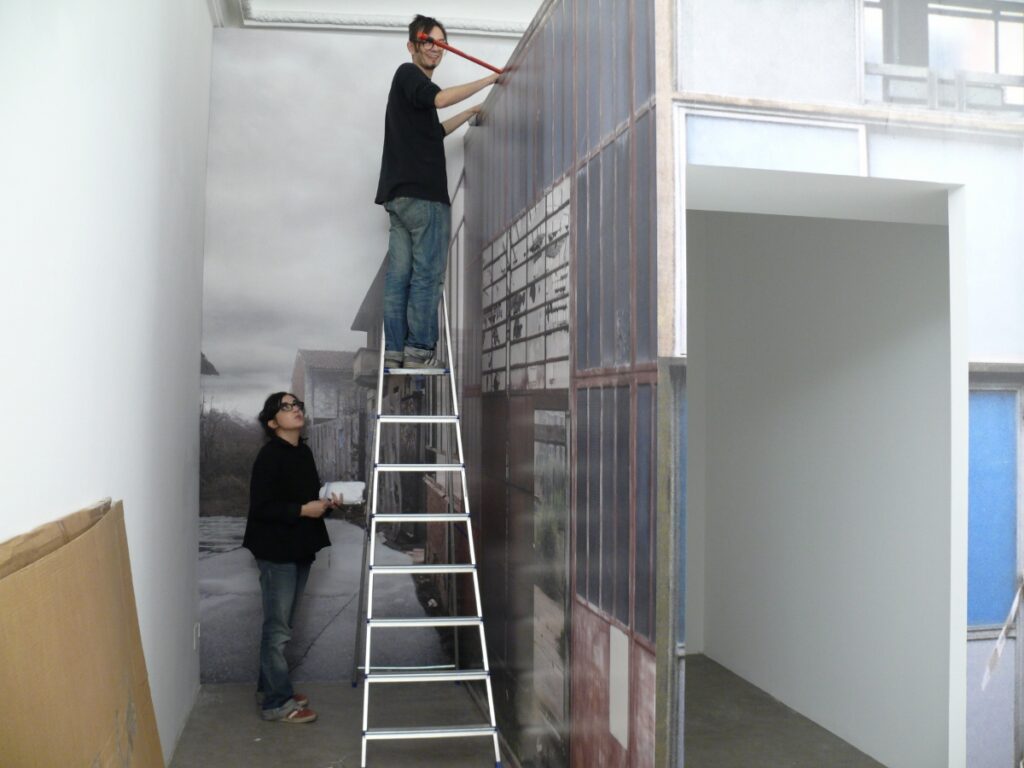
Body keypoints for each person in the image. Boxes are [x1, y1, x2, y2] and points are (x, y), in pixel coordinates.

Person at [375, 14, 499, 368]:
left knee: (400, 277)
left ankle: (396, 352)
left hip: (399, 199)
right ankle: (418, 352)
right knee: (427, 275)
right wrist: (491, 78)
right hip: (424, 198)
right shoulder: (409, 73)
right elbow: (442, 100)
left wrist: (472, 110)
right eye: (427, 41)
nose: (435, 47)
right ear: (411, 45)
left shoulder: (411, 92)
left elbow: (436, 130)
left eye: (441, 42)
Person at [243, 392, 337, 723]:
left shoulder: (304, 451)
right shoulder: (269, 456)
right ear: (272, 422)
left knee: (283, 625)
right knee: (278, 629)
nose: (295, 408)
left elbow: (306, 500)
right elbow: (262, 508)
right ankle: (276, 704)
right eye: (285, 407)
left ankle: (270, 687)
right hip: (275, 550)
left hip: (299, 546)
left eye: (296, 404)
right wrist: (302, 509)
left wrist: (324, 504)